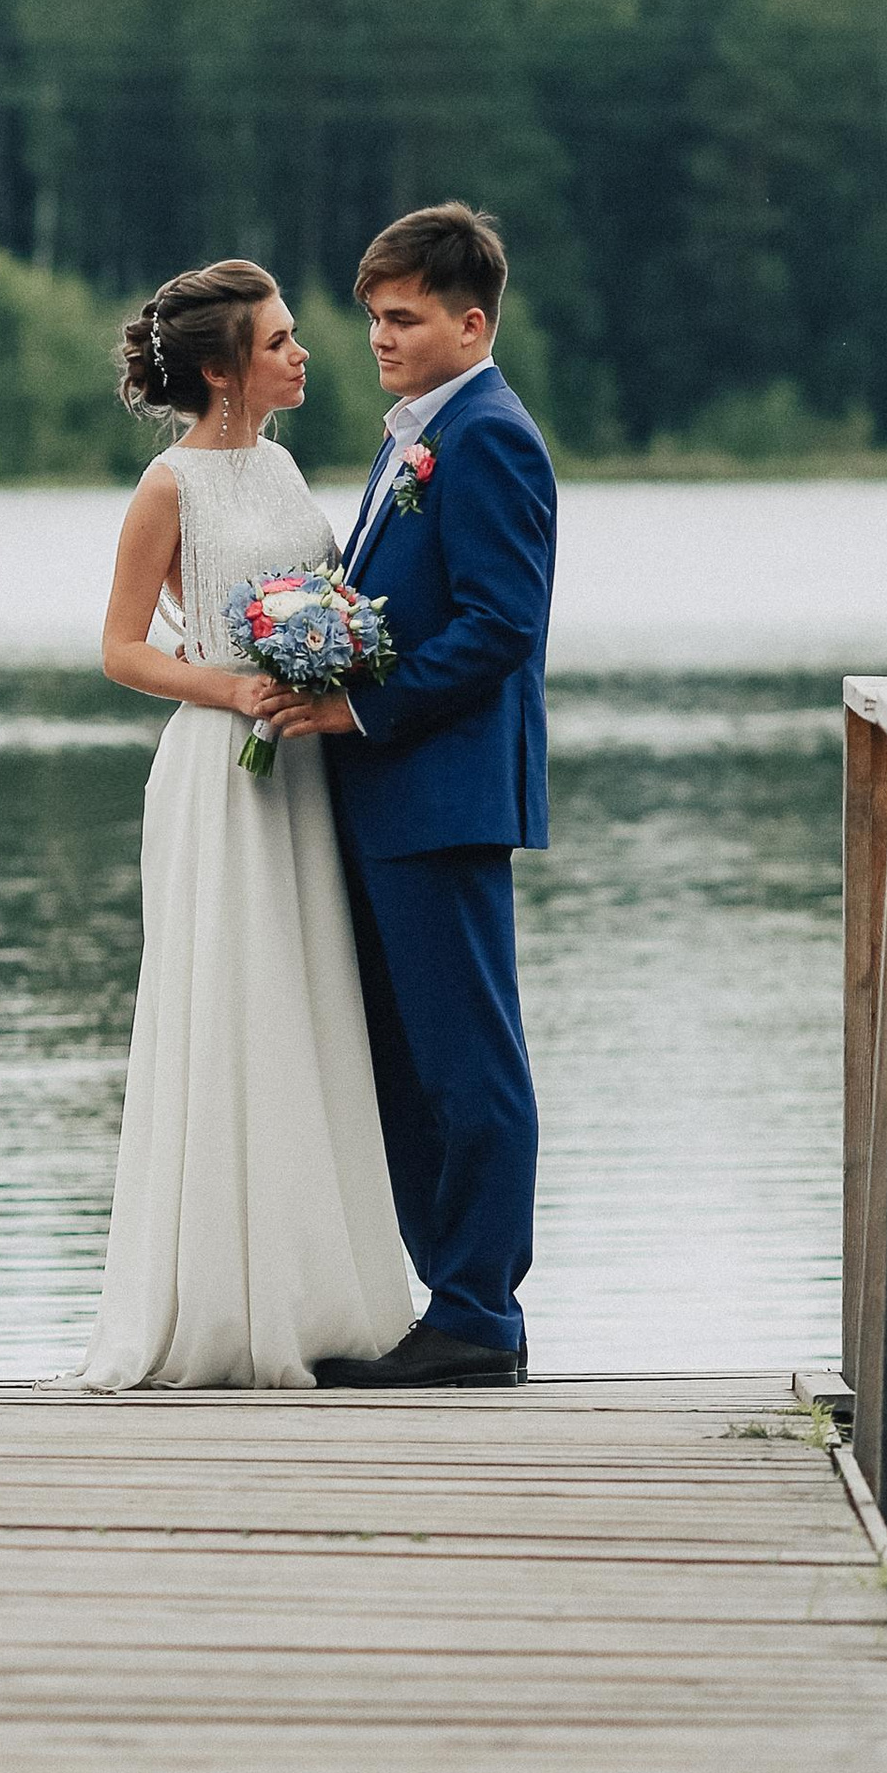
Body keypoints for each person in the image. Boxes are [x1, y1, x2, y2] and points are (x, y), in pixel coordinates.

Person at [77, 259, 414, 1390]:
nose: (302, 352)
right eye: (279, 341)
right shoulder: (168, 487)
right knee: (234, 1006)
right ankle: (223, 1301)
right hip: (225, 770)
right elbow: (122, 647)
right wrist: (230, 688)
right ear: (224, 371)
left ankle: (326, 1291)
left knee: (310, 1006)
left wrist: (331, 655)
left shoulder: (276, 463)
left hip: (304, 769)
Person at [255, 202, 556, 1390]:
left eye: (402, 318)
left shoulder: (488, 435)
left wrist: (356, 708)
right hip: (387, 799)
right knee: (402, 1063)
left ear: (470, 322)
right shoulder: (412, 436)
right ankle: (449, 1303)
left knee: (468, 1064)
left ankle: (481, 1312)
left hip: (443, 795)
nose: (376, 336)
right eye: (372, 315)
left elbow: (499, 627)